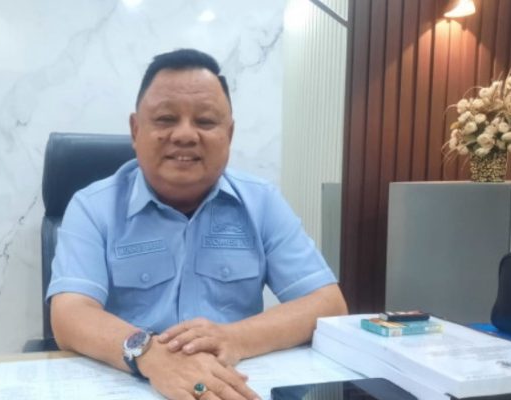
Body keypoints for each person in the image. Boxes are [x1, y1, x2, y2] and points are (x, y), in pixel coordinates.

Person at [46, 48, 348, 400]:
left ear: (229, 134)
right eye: (165, 119)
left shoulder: (262, 202)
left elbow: (328, 304)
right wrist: (149, 353)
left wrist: (234, 338)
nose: (185, 135)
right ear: (135, 130)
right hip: (129, 385)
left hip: (231, 385)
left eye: (205, 121)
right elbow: (69, 315)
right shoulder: (92, 206)